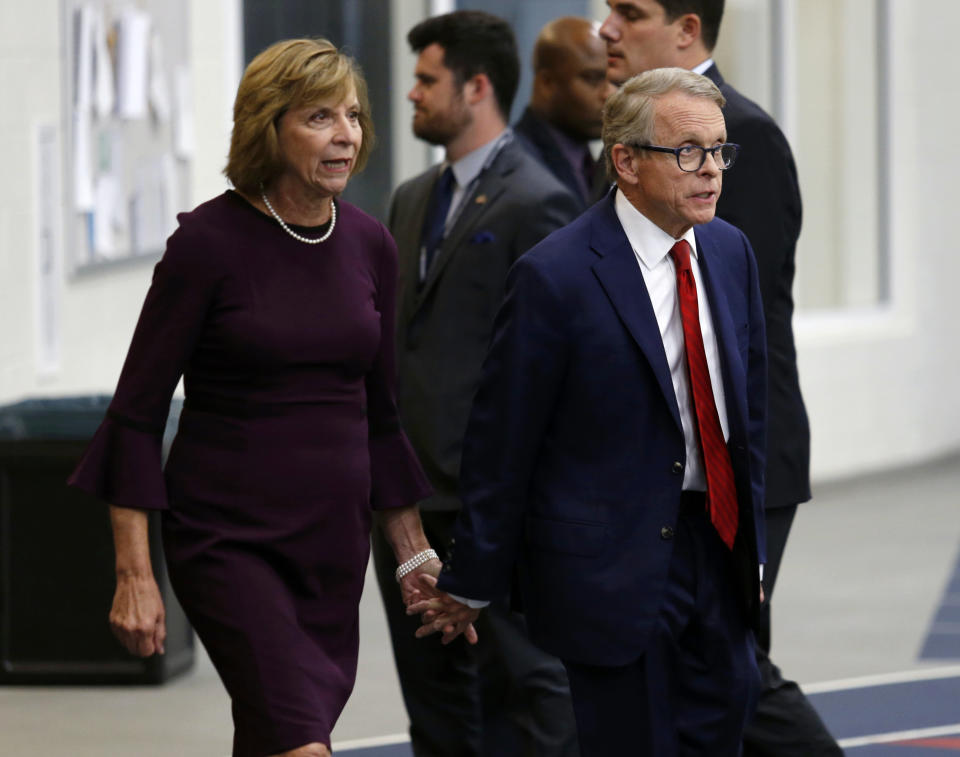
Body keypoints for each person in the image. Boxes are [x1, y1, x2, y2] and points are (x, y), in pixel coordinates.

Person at [68, 38, 438, 757]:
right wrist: (136, 575)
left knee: (276, 734)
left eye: (354, 116)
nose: (346, 135)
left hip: (330, 548)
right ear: (268, 127)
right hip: (228, 539)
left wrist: (411, 553)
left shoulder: (369, 246)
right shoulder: (208, 245)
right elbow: (136, 417)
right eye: (319, 116)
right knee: (301, 738)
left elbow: (382, 416)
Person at [411, 67, 767, 756]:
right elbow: (503, 440)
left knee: (725, 724)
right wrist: (474, 578)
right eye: (688, 151)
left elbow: (747, 410)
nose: (711, 171)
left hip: (717, 550)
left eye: (719, 150)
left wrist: (748, 553)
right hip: (613, 567)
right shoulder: (557, 274)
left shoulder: (730, 251)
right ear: (627, 161)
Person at [598, 2, 841, 753]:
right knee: (686, 667)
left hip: (733, 461)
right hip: (664, 465)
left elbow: (739, 325)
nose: (606, 28)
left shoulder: (745, 136)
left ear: (686, 30)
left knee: (730, 669)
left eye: (628, 12)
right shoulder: (629, 135)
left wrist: (724, 465)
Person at [370, 10, 582, 757]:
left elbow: (553, 364)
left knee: (525, 691)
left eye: (427, 81)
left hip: (491, 507)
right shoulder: (409, 198)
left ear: (477, 87)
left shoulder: (540, 200)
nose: (413, 96)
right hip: (408, 508)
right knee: (434, 709)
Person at [513, 16, 610, 211]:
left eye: (613, 80)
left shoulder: (599, 164)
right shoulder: (516, 166)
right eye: (592, 79)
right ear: (547, 83)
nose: (608, 94)